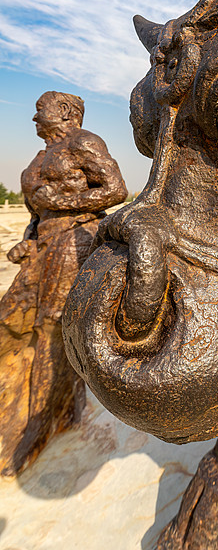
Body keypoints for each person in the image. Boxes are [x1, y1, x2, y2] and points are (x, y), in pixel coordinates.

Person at [0, 91, 127, 475]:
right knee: (10, 320)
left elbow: (116, 190)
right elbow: (38, 212)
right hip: (43, 246)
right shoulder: (40, 157)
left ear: (67, 113)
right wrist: (28, 235)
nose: (34, 118)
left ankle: (40, 422)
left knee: (53, 330)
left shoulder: (83, 143)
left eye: (40, 110)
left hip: (76, 241)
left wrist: (60, 202)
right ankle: (37, 407)